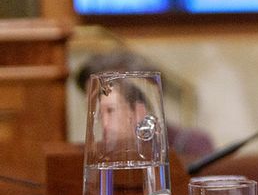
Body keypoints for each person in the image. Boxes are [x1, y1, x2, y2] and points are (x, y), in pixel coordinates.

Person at [75, 50, 215, 164]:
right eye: (96, 110)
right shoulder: (94, 157)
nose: (101, 121)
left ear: (141, 107)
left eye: (109, 109)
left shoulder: (191, 146)